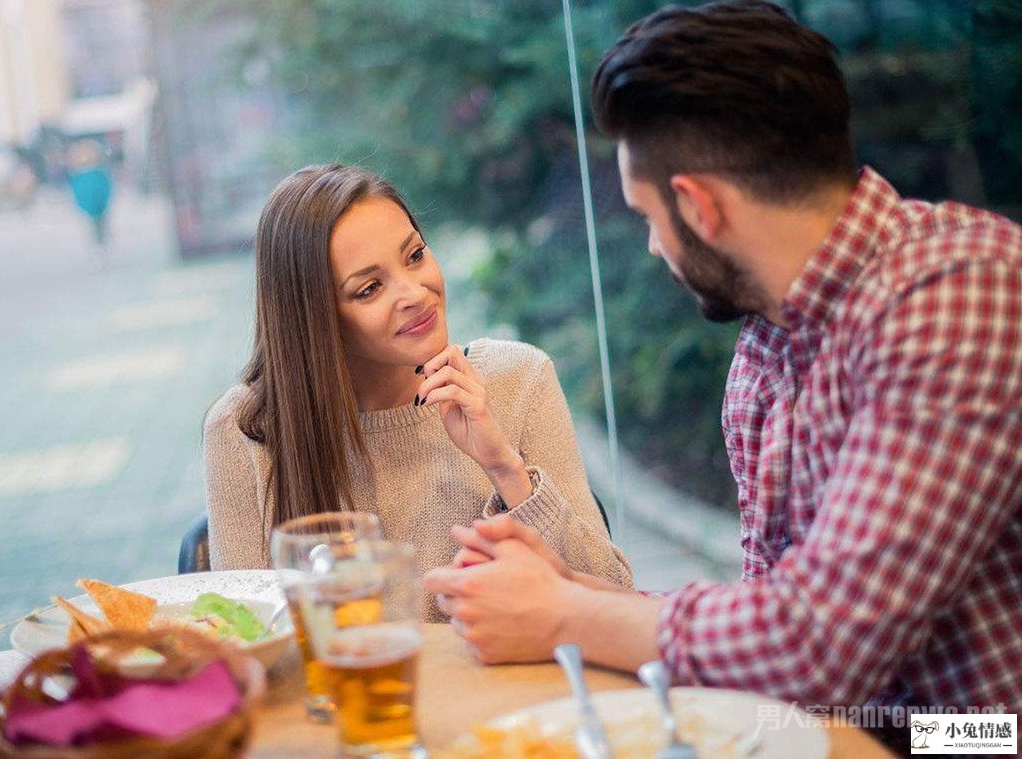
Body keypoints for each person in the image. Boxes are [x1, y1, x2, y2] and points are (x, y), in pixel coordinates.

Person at [426, 0, 1022, 725]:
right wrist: (579, 593)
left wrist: (565, 614)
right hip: (852, 729)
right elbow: (770, 624)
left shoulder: (959, 291)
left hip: (973, 736)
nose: (652, 247)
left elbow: (817, 643)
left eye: (647, 218)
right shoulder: (764, 350)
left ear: (698, 206)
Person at [204, 164, 632, 621]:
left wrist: (505, 468)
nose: (415, 292)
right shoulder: (245, 430)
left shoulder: (518, 380)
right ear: (314, 321)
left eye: (415, 256)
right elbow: (244, 641)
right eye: (369, 289)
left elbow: (617, 599)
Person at [65, 139, 113, 267]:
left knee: (101, 227)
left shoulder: (97, 172)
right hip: (91, 207)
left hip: (100, 206)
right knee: (95, 228)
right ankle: (99, 250)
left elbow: (105, 188)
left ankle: (101, 249)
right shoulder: (81, 174)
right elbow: (77, 191)